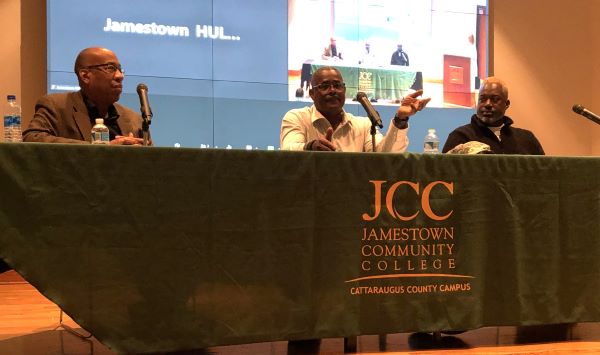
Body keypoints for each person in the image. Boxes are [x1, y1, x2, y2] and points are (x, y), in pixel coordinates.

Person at [280, 66, 430, 152]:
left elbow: (385, 156)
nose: (333, 91)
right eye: (325, 86)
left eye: (338, 86)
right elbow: (287, 150)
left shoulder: (363, 125)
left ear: (344, 91)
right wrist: (310, 147)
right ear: (312, 94)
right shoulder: (296, 118)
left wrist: (400, 119)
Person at [23, 47, 147, 145]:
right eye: (110, 68)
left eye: (120, 69)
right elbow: (32, 138)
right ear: (85, 76)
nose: (120, 76)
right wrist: (100, 149)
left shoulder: (134, 119)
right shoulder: (56, 106)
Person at [442, 77, 545, 155]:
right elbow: (442, 176)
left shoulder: (526, 139)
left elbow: (545, 175)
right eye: (482, 99)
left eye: (494, 99)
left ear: (507, 104)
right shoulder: (461, 136)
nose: (487, 104)